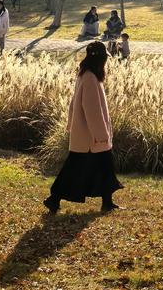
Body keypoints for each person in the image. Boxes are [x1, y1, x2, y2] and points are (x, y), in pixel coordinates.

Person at [46, 42, 120, 214]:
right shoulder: (90, 79)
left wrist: (72, 125)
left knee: (103, 167)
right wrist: (101, 134)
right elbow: (92, 110)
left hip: (86, 136)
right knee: (75, 169)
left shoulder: (85, 75)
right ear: (100, 59)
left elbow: (74, 104)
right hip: (91, 138)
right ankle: (54, 199)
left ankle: (107, 202)